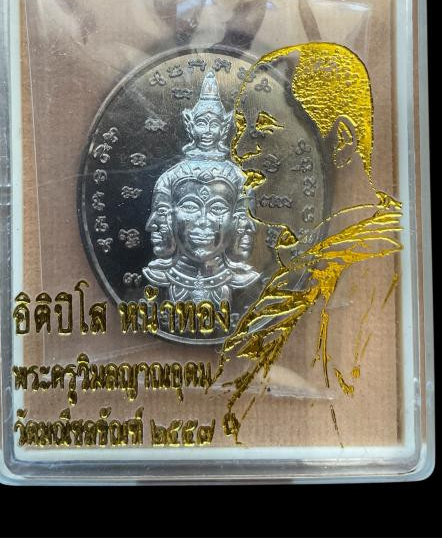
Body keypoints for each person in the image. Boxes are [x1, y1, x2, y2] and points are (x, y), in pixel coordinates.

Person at [212, 42, 403, 442]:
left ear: (340, 142)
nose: (238, 151)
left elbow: (351, 435)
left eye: (262, 127)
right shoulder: (302, 272)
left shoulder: (378, 274)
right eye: (240, 130)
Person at [143, 71, 260, 305]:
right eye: (189, 207)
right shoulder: (170, 178)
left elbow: (245, 222)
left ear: (224, 126)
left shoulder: (240, 179)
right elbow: (158, 220)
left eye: (213, 124)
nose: (207, 131)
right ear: (190, 124)